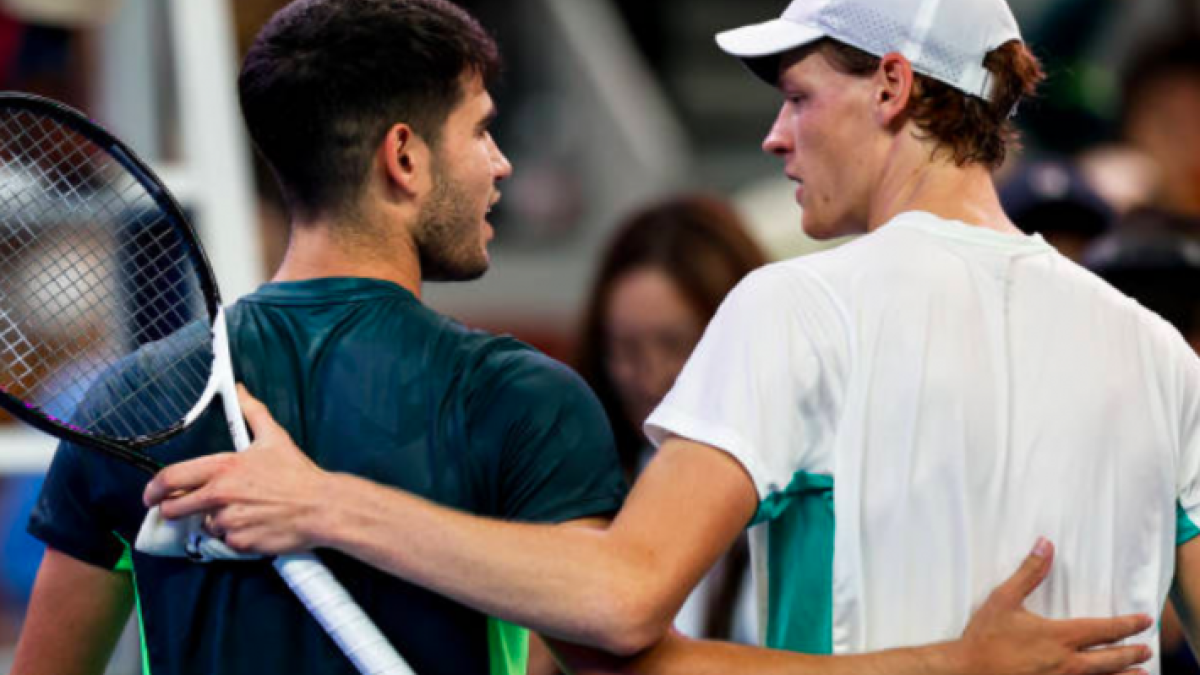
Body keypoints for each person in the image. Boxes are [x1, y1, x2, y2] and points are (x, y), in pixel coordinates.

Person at [140, 0, 1173, 673]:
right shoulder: (1162, 356)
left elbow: (619, 607)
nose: (775, 134)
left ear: (895, 88)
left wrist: (322, 503)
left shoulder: (798, 310)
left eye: (801, 98)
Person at [11, 1, 631, 674]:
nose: (501, 163)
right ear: (403, 156)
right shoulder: (526, 401)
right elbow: (610, 617)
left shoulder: (134, 399)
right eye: (480, 130)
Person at [574, 194, 766, 643]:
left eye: (675, 343)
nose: (650, 375)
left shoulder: (803, 492)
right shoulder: (589, 484)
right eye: (625, 349)